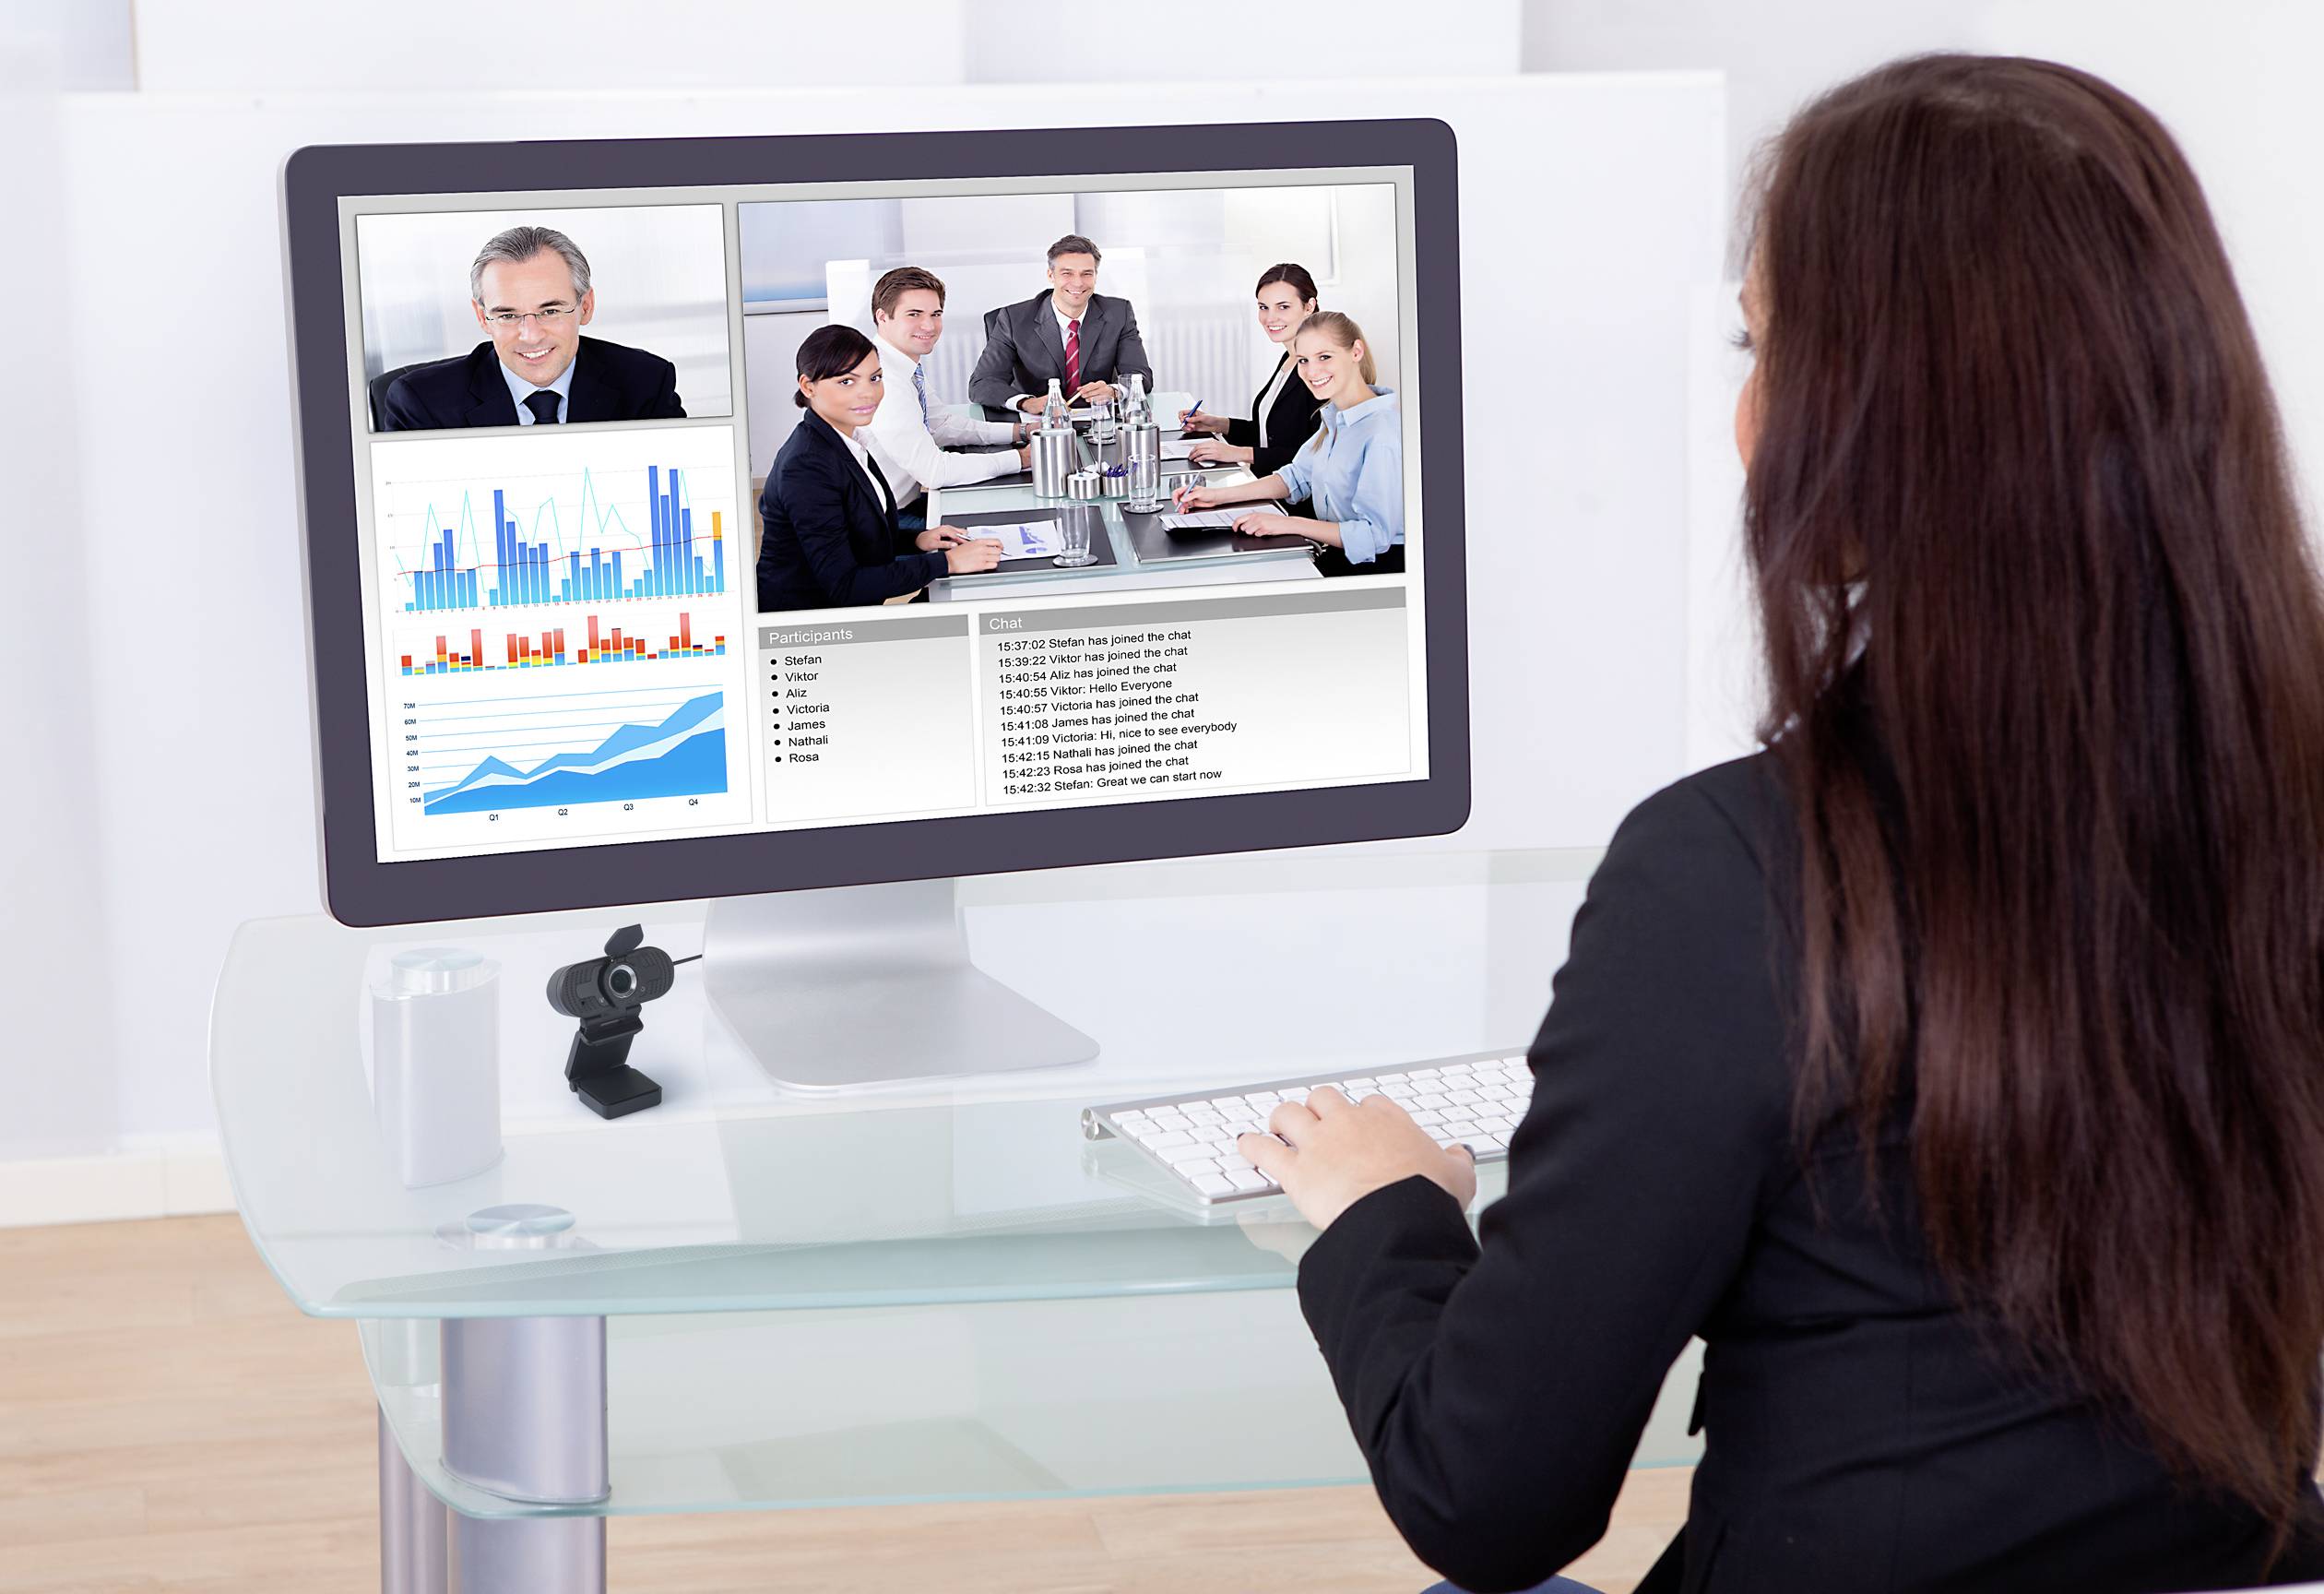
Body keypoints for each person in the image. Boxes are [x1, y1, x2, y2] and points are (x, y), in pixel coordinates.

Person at [1235, 54, 2324, 1594]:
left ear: (1879, 420)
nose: (1746, 414)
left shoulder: (1739, 877)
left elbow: (1487, 1499)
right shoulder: (2284, 807)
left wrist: (1384, 1214)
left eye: (1764, 345)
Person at [755, 326, 1000, 612]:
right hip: (809, 622)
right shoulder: (806, 467)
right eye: (847, 381)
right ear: (808, 387)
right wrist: (948, 563)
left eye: (875, 378)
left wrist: (917, 540)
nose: (868, 393)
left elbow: (858, 535)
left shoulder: (849, 440)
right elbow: (844, 585)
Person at [377, 225, 685, 430]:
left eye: (550, 311)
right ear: (482, 318)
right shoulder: (421, 404)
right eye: (508, 315)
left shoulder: (646, 382)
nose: (531, 336)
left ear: (586, 306)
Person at [1170, 312, 1401, 576]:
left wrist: (1287, 523)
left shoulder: (1382, 432)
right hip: (1337, 556)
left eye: (1325, 357)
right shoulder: (1335, 416)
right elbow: (1295, 477)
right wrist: (1216, 496)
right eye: (1303, 360)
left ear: (1356, 352)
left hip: (1376, 570)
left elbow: (1373, 536)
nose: (1312, 371)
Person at [860, 266, 1034, 529]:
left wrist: (1021, 431)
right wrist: (1022, 459)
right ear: (882, 317)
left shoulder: (901, 365)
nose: (929, 325)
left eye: (936, 314)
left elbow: (941, 425)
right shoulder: (883, 380)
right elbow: (935, 471)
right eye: (914, 314)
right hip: (887, 521)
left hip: (906, 503)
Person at [967, 233, 1153, 413]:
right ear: (1051, 275)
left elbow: (1141, 377)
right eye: (1067, 273)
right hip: (1039, 423)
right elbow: (982, 384)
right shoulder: (1013, 319)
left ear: (1096, 276)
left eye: (1087, 274)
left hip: (1099, 421)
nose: (1078, 283)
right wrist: (1027, 403)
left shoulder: (1119, 313)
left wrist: (1113, 391)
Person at [1177, 264, 1326, 480]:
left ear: (1309, 306)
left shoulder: (1319, 369)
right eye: (1264, 307)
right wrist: (1218, 424)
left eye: (1283, 307)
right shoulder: (1289, 358)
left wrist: (1240, 454)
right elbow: (1269, 434)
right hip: (1267, 482)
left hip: (1294, 494)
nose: (1270, 318)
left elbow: (1315, 456)